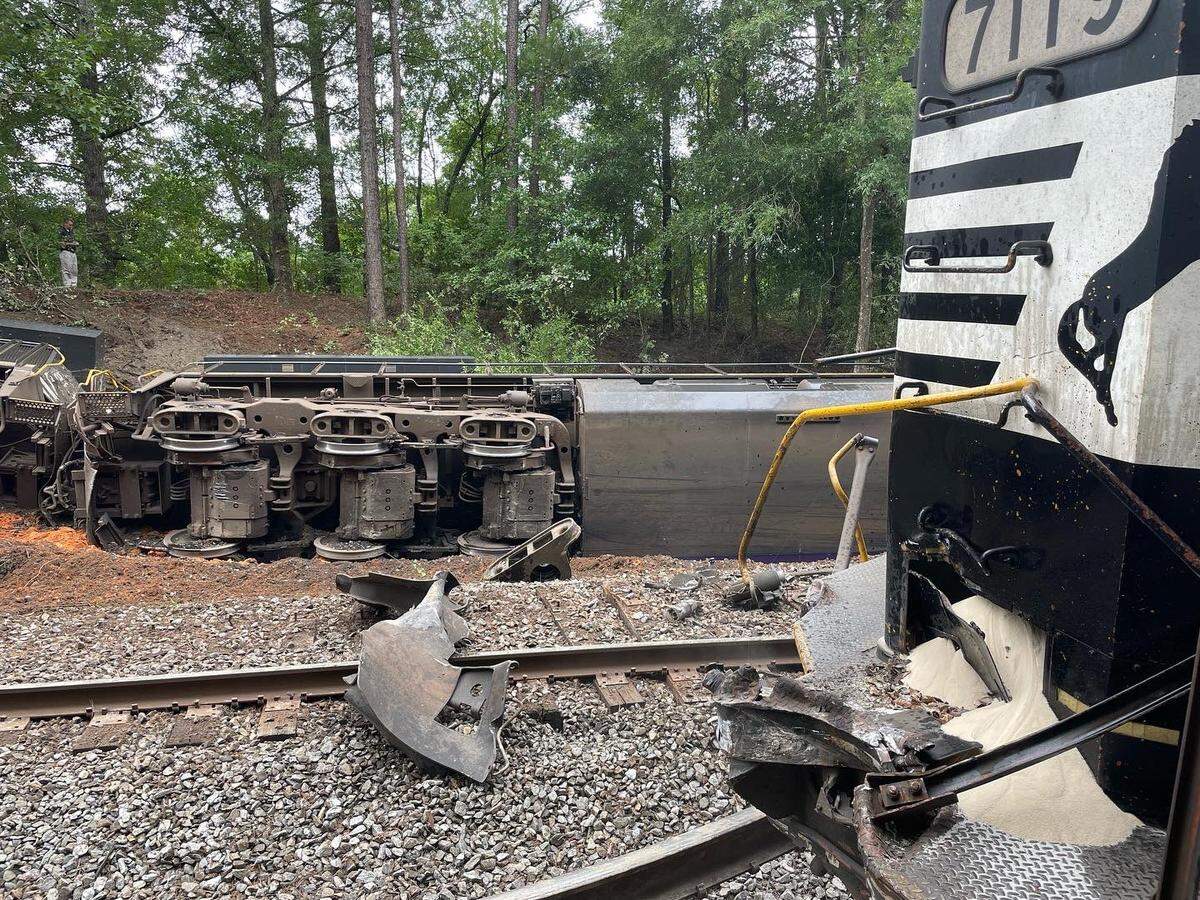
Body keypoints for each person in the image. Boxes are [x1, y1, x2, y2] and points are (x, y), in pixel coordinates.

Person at [58, 217, 78, 288]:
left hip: (73, 252)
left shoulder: (71, 232)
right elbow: (60, 242)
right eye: (69, 225)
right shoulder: (61, 231)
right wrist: (72, 244)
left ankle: (73, 285)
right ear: (65, 224)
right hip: (65, 252)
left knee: (74, 269)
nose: (71, 226)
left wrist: (75, 243)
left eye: (72, 225)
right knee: (66, 269)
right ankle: (67, 285)